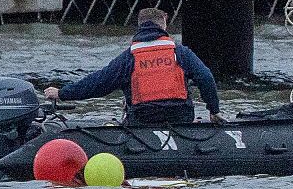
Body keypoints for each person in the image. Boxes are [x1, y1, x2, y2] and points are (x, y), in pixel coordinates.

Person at [43, 8, 223, 126]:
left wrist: (62, 93)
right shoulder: (180, 52)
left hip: (144, 119)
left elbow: (98, 83)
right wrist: (213, 111)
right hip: (180, 117)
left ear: (140, 26)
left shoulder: (129, 57)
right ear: (163, 25)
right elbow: (205, 77)